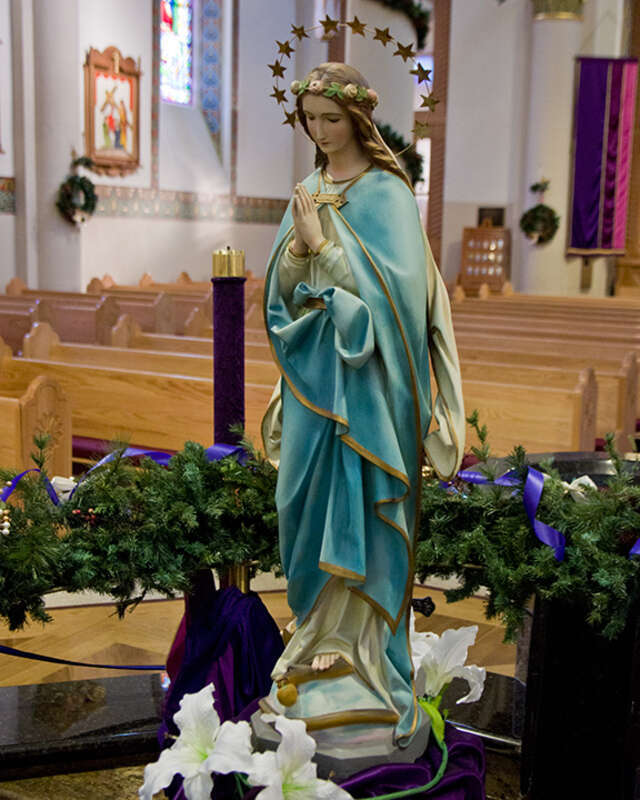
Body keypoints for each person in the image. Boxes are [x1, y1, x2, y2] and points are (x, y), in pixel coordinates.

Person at [260, 62, 464, 749]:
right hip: (316, 388)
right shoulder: (310, 188)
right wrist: (297, 253)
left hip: (373, 397)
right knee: (304, 508)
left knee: (365, 515)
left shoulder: (388, 195)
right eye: (310, 119)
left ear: (359, 121)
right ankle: (314, 634)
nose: (319, 132)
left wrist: (324, 255)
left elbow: (400, 310)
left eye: (331, 119)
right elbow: (280, 293)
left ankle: (361, 658)